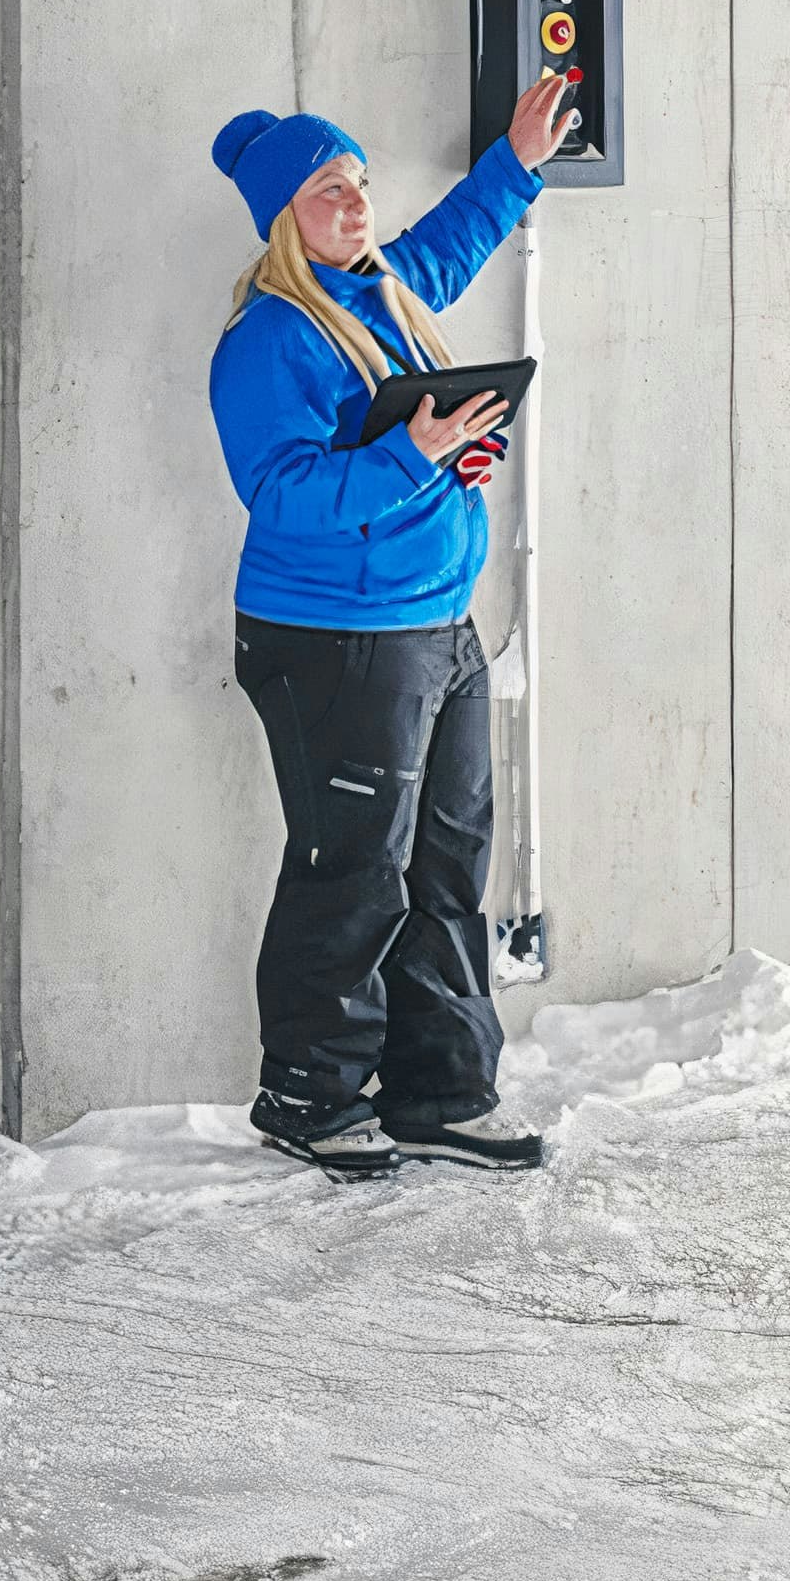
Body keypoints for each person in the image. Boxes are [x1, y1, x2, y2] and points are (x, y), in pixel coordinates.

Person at [208, 70, 576, 1179]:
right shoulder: (268, 339)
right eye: (329, 187)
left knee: (446, 862)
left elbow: (452, 241)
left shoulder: (386, 296)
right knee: (354, 867)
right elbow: (282, 493)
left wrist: (515, 161)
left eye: (361, 179)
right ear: (283, 216)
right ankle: (309, 1095)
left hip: (435, 627)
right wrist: (408, 454)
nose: (357, 201)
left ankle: (440, 1090)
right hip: (333, 640)